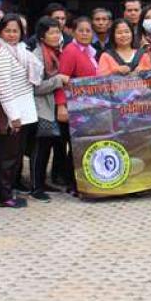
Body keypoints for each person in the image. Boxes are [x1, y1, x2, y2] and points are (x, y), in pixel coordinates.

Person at [0, 13, 40, 209]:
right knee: (8, 157)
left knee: (17, 155)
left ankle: (9, 190)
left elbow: (37, 74)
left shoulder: (21, 50)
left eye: (16, 31)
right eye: (8, 31)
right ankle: (3, 196)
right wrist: (14, 116)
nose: (12, 34)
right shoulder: (1, 53)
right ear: (0, 32)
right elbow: (3, 88)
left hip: (25, 109)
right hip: (12, 113)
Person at [57, 16, 100, 195]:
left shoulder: (89, 51)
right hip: (75, 107)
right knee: (75, 146)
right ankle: (73, 184)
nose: (84, 34)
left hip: (89, 106)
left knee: (83, 144)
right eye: (80, 30)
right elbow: (62, 79)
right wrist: (61, 105)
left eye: (88, 31)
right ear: (73, 32)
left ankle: (81, 182)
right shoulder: (71, 51)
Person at [30, 17, 70, 202]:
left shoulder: (56, 52)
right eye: (51, 33)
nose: (56, 36)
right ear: (42, 36)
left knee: (49, 147)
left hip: (53, 106)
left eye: (57, 32)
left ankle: (42, 182)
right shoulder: (38, 55)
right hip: (42, 107)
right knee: (40, 149)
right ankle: (36, 187)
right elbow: (36, 87)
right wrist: (58, 80)